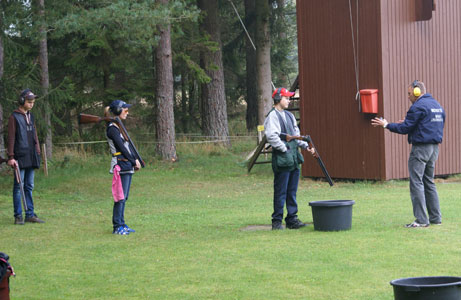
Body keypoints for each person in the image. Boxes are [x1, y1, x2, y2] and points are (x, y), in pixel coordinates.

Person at [371, 80, 445, 228]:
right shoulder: (436, 105)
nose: (408, 96)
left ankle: (421, 220)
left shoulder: (417, 106)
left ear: (417, 92)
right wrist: (411, 123)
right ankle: (435, 218)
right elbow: (427, 125)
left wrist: (386, 125)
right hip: (434, 149)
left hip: (420, 149)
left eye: (409, 93)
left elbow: (404, 128)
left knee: (416, 182)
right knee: (429, 181)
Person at [264, 87, 315, 230]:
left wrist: (306, 146)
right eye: (286, 98)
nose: (289, 100)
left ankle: (292, 219)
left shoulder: (290, 116)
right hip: (282, 159)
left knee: (292, 191)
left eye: (289, 98)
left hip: (293, 159)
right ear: (278, 99)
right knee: (281, 191)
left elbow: (296, 136)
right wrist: (283, 148)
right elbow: (272, 136)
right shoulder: (272, 116)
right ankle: (277, 221)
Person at [7, 89, 44, 225]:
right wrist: (11, 156)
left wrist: (38, 151)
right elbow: (11, 138)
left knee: (29, 186)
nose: (31, 104)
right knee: (18, 187)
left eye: (33, 102)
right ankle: (18, 216)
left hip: (31, 155)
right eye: (29, 102)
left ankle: (30, 214)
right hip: (19, 157)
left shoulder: (31, 116)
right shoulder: (14, 117)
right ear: (22, 101)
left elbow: (34, 135)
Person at [105, 100, 141, 235]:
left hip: (126, 163)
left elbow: (127, 147)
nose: (127, 113)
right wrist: (133, 161)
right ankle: (117, 226)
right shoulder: (112, 129)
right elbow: (121, 148)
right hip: (121, 163)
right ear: (118, 111)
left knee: (124, 197)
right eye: (125, 110)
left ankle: (122, 223)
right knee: (120, 197)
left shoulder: (118, 127)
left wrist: (134, 160)